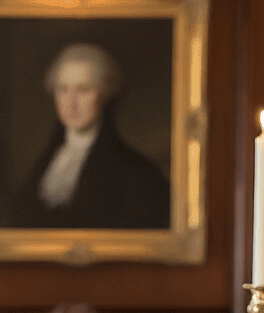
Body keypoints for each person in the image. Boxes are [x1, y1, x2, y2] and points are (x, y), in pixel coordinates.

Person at [11, 42, 170, 229]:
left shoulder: (138, 174)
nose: (71, 102)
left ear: (104, 95)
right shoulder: (43, 166)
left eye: (83, 90)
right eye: (63, 89)